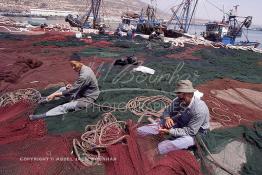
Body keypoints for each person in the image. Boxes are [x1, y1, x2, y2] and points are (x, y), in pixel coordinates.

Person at [137, 80, 210, 154]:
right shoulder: (178, 100)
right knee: (147, 129)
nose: (180, 99)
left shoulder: (199, 109)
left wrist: (170, 131)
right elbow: (167, 111)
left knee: (166, 146)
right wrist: (167, 118)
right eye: (179, 95)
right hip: (181, 124)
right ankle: (136, 134)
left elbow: (190, 131)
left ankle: (154, 153)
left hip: (196, 133)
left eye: (183, 96)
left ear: (191, 94)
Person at [29, 54, 100, 120]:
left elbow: (73, 89)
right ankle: (45, 100)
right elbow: (80, 85)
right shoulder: (84, 68)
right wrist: (72, 87)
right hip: (82, 92)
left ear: (79, 62)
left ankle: (42, 115)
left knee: (65, 106)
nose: (73, 68)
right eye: (71, 65)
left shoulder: (85, 75)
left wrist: (55, 94)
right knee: (63, 89)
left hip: (88, 98)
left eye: (74, 65)